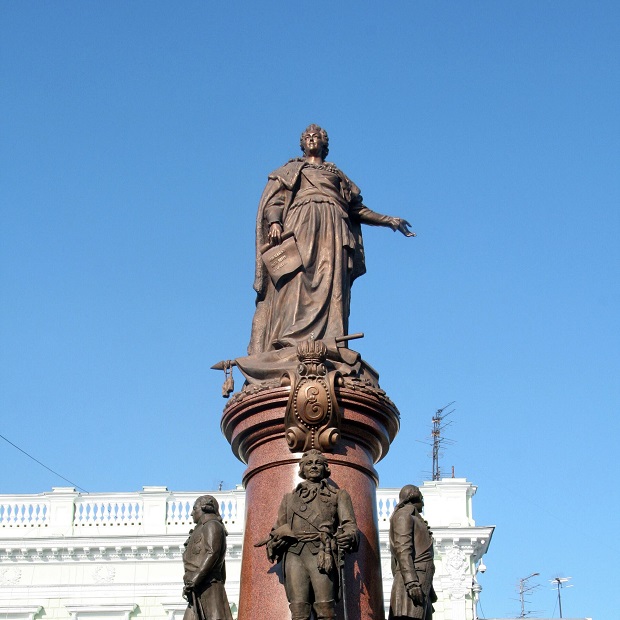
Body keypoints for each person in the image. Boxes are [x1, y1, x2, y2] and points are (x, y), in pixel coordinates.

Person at [249, 124, 415, 355]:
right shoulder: (291, 170)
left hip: (334, 228)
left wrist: (389, 220)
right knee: (297, 278)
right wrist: (276, 221)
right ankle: (289, 337)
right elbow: (275, 201)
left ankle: (330, 339)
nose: (311, 139)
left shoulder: (337, 175)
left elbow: (357, 209)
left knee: (331, 280)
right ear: (301, 144)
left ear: (325, 144)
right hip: (301, 224)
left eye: (316, 136)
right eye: (307, 136)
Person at [261, 449, 359, 620]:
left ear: (325, 468)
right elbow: (277, 528)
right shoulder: (289, 499)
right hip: (294, 554)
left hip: (322, 552)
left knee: (326, 610)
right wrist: (275, 542)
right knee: (298, 611)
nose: (313, 466)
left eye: (318, 463)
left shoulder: (338, 495)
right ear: (302, 469)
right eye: (308, 463)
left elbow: (349, 525)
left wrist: (349, 536)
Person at [388, 485, 437, 620]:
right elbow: (403, 550)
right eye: (421, 496)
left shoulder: (414, 517)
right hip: (412, 584)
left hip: (422, 582)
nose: (423, 501)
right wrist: (411, 583)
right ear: (413, 496)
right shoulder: (404, 514)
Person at [182, 495, 233, 620]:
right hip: (197, 587)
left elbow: (212, 553)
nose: (191, 513)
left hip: (209, 586)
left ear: (205, 508)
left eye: (195, 509)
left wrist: (196, 577)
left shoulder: (212, 525)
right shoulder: (201, 528)